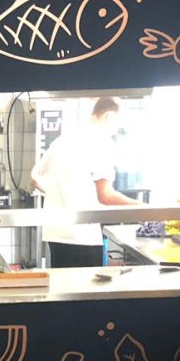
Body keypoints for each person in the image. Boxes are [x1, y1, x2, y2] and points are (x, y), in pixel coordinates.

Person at [30, 96, 142, 268]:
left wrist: (61, 193)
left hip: (56, 231)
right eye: (117, 125)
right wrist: (143, 208)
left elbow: (35, 179)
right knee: (86, 284)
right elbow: (106, 196)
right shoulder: (101, 143)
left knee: (62, 283)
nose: (115, 131)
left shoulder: (63, 139)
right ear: (109, 117)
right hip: (82, 234)